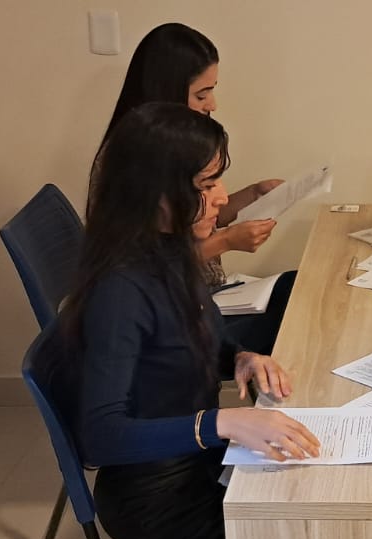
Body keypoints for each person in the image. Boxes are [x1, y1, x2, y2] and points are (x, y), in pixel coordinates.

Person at [62, 102, 319, 539]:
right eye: (207, 185)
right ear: (157, 192)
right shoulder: (120, 290)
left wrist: (241, 357)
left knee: (323, 482)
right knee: (319, 527)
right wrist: (223, 422)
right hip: (158, 500)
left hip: (197, 460)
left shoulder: (169, 249)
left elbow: (203, 337)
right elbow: (101, 437)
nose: (222, 198)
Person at [99, 22, 295, 355]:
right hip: (178, 311)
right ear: (167, 91)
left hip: (200, 296)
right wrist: (226, 241)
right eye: (201, 94)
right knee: (294, 304)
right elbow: (146, 265)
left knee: (293, 287)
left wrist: (252, 195)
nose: (212, 104)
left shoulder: (174, 149)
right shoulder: (134, 162)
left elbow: (193, 214)